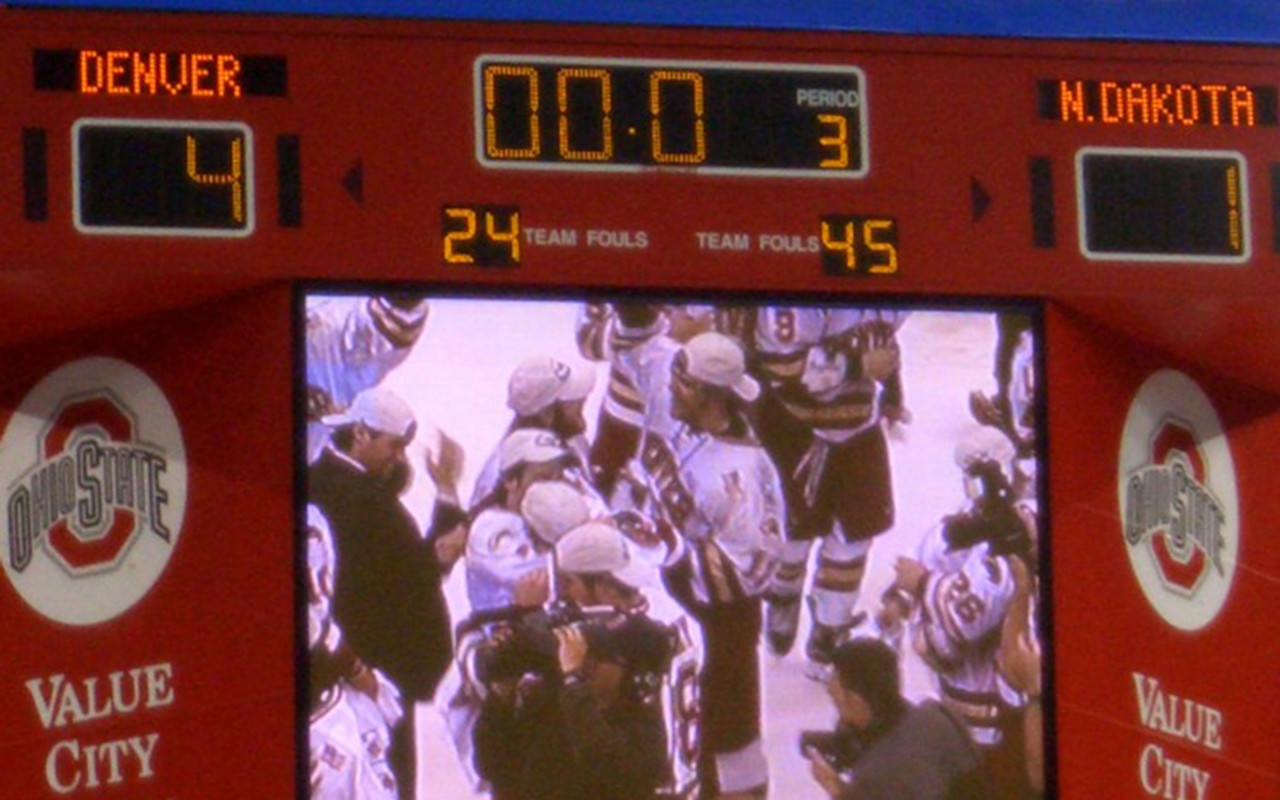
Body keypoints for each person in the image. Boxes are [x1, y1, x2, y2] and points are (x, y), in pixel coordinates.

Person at [636, 331, 784, 800]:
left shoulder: (740, 477)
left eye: (682, 382)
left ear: (710, 394)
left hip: (720, 625)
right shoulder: (686, 421)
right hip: (674, 607)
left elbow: (741, 577)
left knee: (724, 734)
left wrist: (661, 548)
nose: (671, 387)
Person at [308, 386, 466, 800]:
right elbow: (415, 572)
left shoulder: (342, 484)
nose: (399, 458)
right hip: (371, 680)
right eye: (394, 447)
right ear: (360, 434)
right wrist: (447, 499)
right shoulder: (356, 501)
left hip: (372, 674)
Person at [469, 520, 679, 800]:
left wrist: (574, 680)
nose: (563, 595)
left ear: (602, 587)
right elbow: (493, 766)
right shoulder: (556, 672)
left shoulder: (643, 652)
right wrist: (501, 699)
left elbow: (613, 766)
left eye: (569, 583)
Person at [748, 307, 906, 671]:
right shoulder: (793, 302)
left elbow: (882, 340)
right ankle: (783, 593)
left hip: (860, 427)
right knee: (792, 532)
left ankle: (830, 625)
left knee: (856, 534)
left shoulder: (886, 289)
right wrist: (858, 366)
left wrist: (893, 387)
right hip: (794, 427)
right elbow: (782, 367)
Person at [805, 639, 983, 800]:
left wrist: (836, 788)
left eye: (834, 691)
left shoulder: (875, 778)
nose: (829, 690)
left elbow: (890, 775)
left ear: (855, 700)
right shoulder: (939, 715)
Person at [305, 292, 430, 462]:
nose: (385, 349)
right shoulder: (318, 328)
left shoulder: (394, 353)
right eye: (383, 335)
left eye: (396, 344)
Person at [470, 355, 597, 508]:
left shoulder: (574, 443)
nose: (581, 400)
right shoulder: (502, 476)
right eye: (571, 401)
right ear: (547, 414)